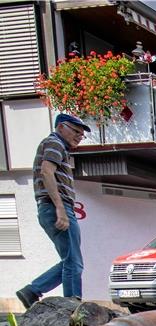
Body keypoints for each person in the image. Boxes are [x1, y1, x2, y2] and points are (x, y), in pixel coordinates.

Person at [16, 113, 90, 308]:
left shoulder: (57, 145)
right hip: (55, 207)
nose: (78, 137)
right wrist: (60, 208)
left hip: (52, 207)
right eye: (75, 131)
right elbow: (47, 172)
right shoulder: (54, 143)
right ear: (60, 127)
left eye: (81, 135)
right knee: (74, 262)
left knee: (71, 261)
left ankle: (31, 291)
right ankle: (72, 305)